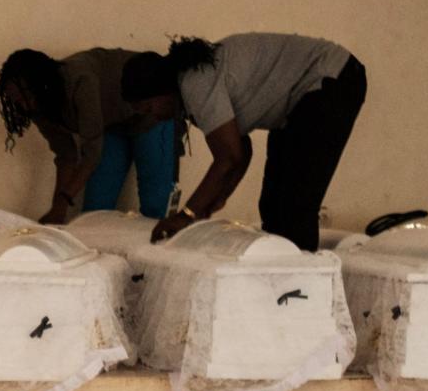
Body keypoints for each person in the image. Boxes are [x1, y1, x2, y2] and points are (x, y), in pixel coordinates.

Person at [121, 33, 365, 251]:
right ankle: (281, 276)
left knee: (294, 206)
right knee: (272, 206)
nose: (152, 117)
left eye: (148, 108)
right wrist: (215, 200)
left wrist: (187, 214)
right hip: (300, 101)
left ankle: (300, 287)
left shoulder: (194, 85)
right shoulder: (190, 94)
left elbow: (228, 157)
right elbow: (241, 150)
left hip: (329, 79)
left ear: (162, 91)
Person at [0, 47, 178, 222]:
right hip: (112, 125)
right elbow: (66, 155)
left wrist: (63, 202)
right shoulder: (37, 108)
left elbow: (92, 154)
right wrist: (57, 209)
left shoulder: (80, 80)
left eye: (25, 97)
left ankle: (159, 251)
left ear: (40, 84)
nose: (24, 106)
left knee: (156, 206)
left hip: (151, 116)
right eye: (17, 101)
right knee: (95, 212)